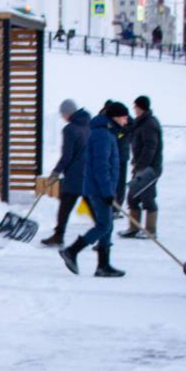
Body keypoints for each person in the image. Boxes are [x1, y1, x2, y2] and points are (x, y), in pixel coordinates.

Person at [58, 102, 126, 278]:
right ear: (115, 117)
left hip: (101, 187)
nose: (126, 120)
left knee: (106, 226)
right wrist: (107, 191)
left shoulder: (106, 133)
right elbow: (101, 166)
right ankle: (72, 251)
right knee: (104, 225)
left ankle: (103, 265)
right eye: (124, 117)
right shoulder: (103, 135)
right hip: (99, 188)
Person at [40, 98, 91, 247]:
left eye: (62, 114)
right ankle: (103, 238)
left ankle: (58, 236)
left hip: (74, 176)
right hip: (88, 174)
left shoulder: (70, 129)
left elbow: (67, 155)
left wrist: (56, 173)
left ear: (67, 113)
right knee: (94, 208)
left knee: (65, 206)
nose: (62, 117)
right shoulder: (89, 126)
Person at [120, 94, 163, 239]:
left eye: (136, 106)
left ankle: (150, 230)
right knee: (132, 197)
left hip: (149, 169)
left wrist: (142, 166)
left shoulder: (150, 124)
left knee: (147, 197)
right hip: (140, 167)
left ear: (141, 107)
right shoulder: (141, 122)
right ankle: (133, 227)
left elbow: (150, 147)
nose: (134, 109)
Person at [108, 100, 133, 205]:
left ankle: (118, 204)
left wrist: (122, 132)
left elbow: (131, 127)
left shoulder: (126, 120)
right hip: (111, 156)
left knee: (120, 182)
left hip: (122, 156)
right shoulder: (106, 119)